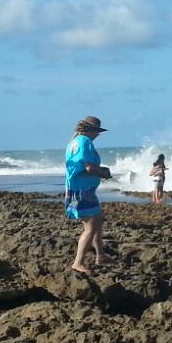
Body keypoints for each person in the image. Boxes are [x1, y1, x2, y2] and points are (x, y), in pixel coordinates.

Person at [65, 115, 111, 275]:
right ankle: (78, 262)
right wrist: (104, 174)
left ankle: (100, 255)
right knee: (90, 227)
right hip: (81, 190)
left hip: (82, 189)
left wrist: (100, 170)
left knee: (97, 220)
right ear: (91, 130)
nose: (98, 135)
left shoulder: (74, 142)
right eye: (97, 131)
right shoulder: (84, 142)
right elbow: (89, 168)